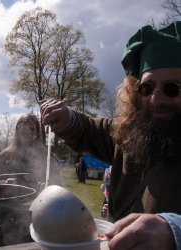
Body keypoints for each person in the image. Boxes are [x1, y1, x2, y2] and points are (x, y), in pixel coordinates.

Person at [40, 21, 181, 250]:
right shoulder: (131, 131)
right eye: (147, 88)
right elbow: (89, 128)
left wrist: (174, 230)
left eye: (172, 88)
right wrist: (66, 118)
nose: (156, 100)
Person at [0, 113, 62, 190]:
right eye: (24, 128)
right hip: (11, 200)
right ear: (18, 129)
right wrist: (4, 183)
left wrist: (47, 186)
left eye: (32, 129)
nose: (28, 132)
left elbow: (57, 183)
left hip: (40, 200)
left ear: (37, 132)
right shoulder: (5, 154)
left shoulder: (46, 156)